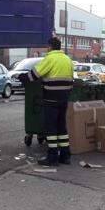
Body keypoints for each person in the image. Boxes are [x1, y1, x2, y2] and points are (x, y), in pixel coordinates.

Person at [19, 37, 74, 166]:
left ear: (49, 47)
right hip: (64, 99)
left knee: (51, 128)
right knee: (62, 127)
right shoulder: (68, 60)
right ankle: (65, 156)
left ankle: (52, 157)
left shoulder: (50, 59)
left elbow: (34, 75)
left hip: (51, 99)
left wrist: (21, 77)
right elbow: (72, 80)